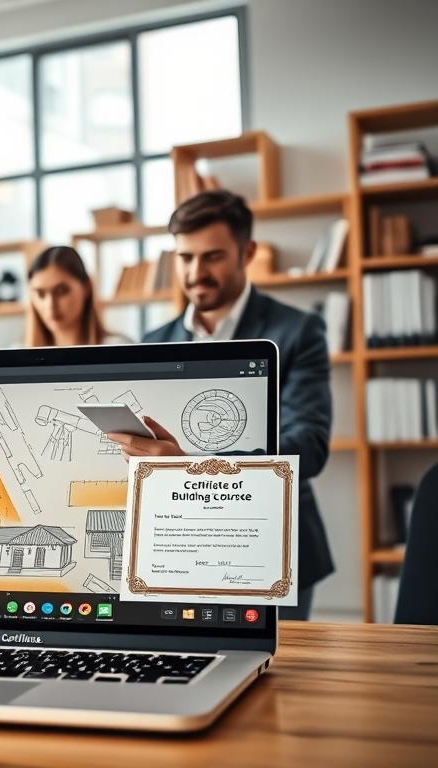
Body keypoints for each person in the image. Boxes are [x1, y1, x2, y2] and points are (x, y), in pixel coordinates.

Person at [107, 190, 334, 620]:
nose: (196, 273)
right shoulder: (152, 343)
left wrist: (189, 462)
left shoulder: (299, 331)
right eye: (186, 258)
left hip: (274, 545)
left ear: (247, 252)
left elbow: (309, 445)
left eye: (211, 257)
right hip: (178, 548)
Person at [26, 245, 128, 346]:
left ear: (86, 287)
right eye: (40, 294)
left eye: (61, 291)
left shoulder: (118, 348)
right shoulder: (18, 354)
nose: (50, 305)